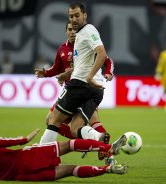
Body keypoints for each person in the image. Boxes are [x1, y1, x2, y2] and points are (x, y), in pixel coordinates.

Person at [38, 3, 116, 161]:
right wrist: (63, 74)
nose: (74, 19)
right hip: (96, 90)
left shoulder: (89, 31)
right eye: (71, 16)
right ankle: (99, 138)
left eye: (77, 15)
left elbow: (102, 55)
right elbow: (81, 64)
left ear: (85, 15)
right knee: (75, 128)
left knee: (53, 119)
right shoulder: (79, 37)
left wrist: (89, 76)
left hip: (80, 85)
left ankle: (40, 158)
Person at [0, 120, 127, 181]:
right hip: (24, 158)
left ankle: (107, 169)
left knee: (70, 170)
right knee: (68, 145)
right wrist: (24, 139)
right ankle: (108, 148)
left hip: (20, 177)